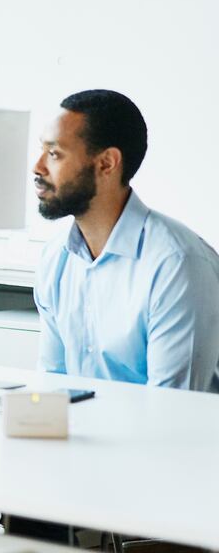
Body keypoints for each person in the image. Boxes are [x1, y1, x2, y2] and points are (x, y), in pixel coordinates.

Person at [33, 89, 219, 392]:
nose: (38, 167)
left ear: (107, 163)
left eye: (54, 153)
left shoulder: (177, 264)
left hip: (167, 437)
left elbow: (172, 409)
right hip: (87, 435)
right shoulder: (55, 258)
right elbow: (54, 387)